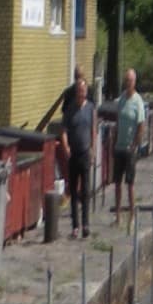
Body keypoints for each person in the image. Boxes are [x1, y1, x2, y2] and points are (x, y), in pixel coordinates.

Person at [58, 72, 95, 240]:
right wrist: (65, 147)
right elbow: (63, 130)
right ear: (76, 92)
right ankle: (75, 226)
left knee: (86, 191)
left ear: (86, 91)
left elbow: (93, 129)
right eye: (79, 90)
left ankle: (86, 224)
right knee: (73, 191)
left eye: (84, 90)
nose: (82, 93)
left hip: (86, 152)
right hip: (73, 153)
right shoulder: (70, 109)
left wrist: (93, 148)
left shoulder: (90, 108)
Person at [111, 68, 148, 222]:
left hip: (130, 149)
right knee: (117, 184)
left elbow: (141, 126)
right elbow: (118, 121)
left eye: (130, 81)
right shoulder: (121, 101)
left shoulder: (138, 102)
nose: (128, 83)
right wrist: (114, 140)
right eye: (126, 80)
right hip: (119, 147)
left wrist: (134, 145)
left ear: (135, 82)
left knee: (130, 184)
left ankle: (132, 215)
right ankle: (118, 215)